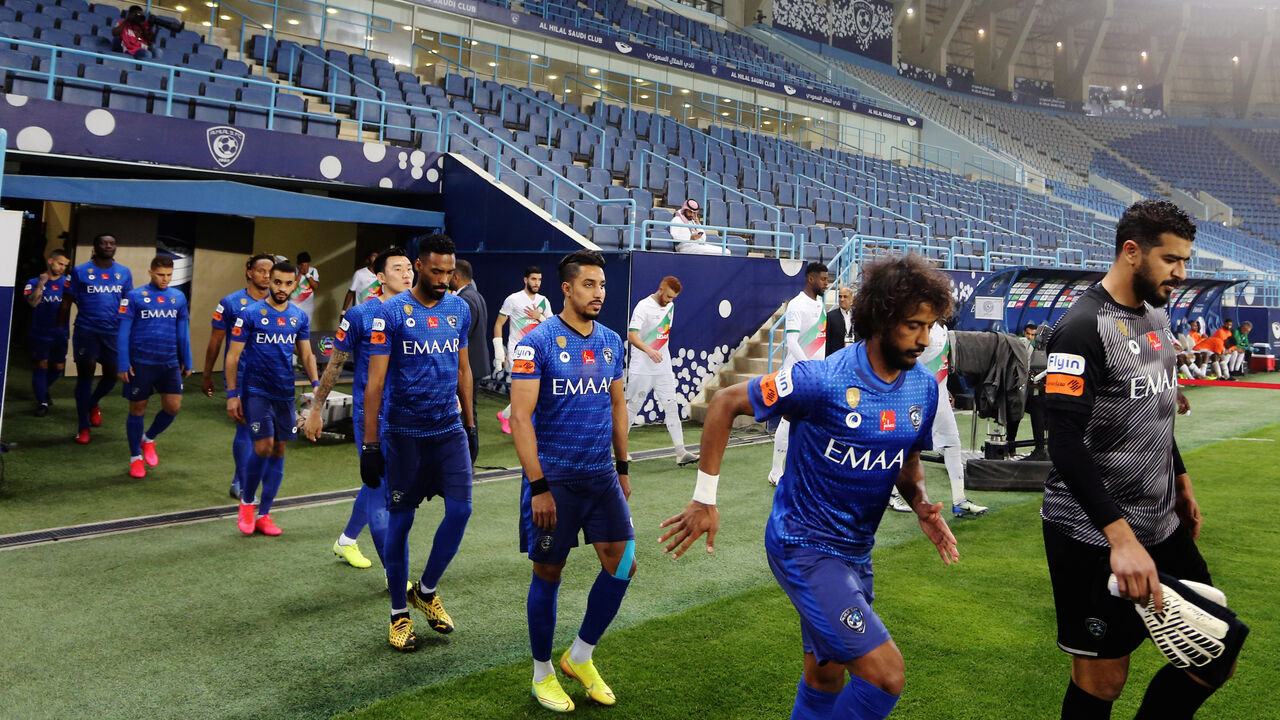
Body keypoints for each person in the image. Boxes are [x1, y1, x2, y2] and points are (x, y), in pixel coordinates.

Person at [658, 254, 960, 720]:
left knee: (825, 676)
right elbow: (724, 403)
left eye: (930, 325)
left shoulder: (921, 387)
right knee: (886, 675)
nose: (925, 339)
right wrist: (704, 497)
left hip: (856, 553)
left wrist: (920, 502)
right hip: (803, 545)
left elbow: (908, 458)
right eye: (913, 326)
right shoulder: (821, 379)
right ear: (881, 318)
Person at [1041, 200, 1239, 718]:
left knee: (1214, 649)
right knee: (1103, 679)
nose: (1182, 272)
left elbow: (1157, 404)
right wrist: (1119, 539)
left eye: (1186, 260)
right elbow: (1063, 442)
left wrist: (1182, 480)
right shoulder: (1080, 328)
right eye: (1172, 259)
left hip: (1162, 521)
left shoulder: (1156, 313)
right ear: (1132, 252)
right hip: (1091, 534)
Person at [509, 250, 632, 712]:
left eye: (602, 285)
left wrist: (622, 468)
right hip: (554, 480)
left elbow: (617, 406)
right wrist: (538, 486)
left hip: (601, 476)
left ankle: (579, 656)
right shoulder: (535, 343)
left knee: (623, 565)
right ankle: (542, 675)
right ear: (566, 288)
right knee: (549, 573)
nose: (598, 293)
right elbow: (521, 419)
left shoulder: (610, 341)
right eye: (588, 285)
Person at [359, 234, 478, 651]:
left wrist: (471, 423)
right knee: (402, 521)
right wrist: (371, 445)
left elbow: (464, 370)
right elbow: (375, 383)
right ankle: (398, 614)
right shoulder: (389, 313)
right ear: (419, 266)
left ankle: (425, 591)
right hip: (403, 434)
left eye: (450, 271)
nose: (444, 279)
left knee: (461, 510)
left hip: (448, 430)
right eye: (436, 271)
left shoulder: (459, 309)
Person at [305, 248, 414, 571]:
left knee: (380, 487)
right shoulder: (359, 315)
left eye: (409, 267)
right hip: (372, 417)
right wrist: (315, 408)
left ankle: (346, 540)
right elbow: (334, 365)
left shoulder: (420, 311)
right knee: (383, 492)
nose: (407, 273)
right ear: (380, 278)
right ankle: (397, 578)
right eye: (397, 268)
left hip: (407, 415)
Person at [224, 260, 320, 537]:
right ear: (270, 281)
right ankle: (247, 503)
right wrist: (232, 395)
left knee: (279, 450)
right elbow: (232, 356)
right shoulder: (251, 314)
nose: (282, 288)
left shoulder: (298, 317)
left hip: (284, 393)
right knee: (263, 446)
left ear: (295, 285)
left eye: (288, 284)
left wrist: (316, 384)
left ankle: (264, 514)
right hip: (255, 391)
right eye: (277, 282)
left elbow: (307, 354)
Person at [890, 319, 989, 516]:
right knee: (902, 449)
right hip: (917, 399)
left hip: (940, 399)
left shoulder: (943, 329)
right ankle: (892, 494)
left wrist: (946, 388)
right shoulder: (916, 330)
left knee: (953, 443)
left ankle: (959, 500)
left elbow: (940, 365)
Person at [203, 253, 274, 499]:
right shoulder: (230, 303)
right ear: (249, 272)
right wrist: (207, 374)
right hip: (242, 375)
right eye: (262, 270)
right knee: (245, 428)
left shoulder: (279, 304)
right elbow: (215, 342)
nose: (266, 276)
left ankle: (242, 479)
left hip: (273, 378)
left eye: (270, 271)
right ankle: (242, 484)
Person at [115, 256, 192, 478]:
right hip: (141, 364)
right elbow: (123, 332)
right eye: (161, 275)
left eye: (169, 275)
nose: (165, 279)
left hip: (168, 364)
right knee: (137, 409)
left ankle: (148, 439)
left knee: (173, 407)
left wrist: (187, 359)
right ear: (150, 273)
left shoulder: (178, 297)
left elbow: (182, 331)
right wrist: (123, 362)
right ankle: (135, 457)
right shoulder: (134, 297)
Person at [60, 233, 134, 445]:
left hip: (113, 332)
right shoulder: (80, 271)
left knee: (112, 375)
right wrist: (61, 330)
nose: (108, 246)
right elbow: (67, 302)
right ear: (95, 247)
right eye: (103, 243)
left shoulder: (123, 273)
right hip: (86, 331)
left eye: (112, 243)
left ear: (115, 247)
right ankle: (83, 427)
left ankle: (92, 402)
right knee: (86, 376)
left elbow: (127, 304)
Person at [626, 276, 698, 467]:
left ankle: (681, 452)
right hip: (641, 368)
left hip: (663, 368)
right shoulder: (643, 307)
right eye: (667, 296)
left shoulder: (670, 307)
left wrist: (659, 354)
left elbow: (663, 335)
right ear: (660, 289)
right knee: (632, 407)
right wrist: (649, 351)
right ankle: (620, 450)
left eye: (673, 298)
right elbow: (632, 336)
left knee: (671, 406)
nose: (669, 301)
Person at [769, 262, 829, 486]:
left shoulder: (820, 303)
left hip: (816, 374)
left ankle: (807, 470)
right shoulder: (796, 304)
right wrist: (807, 367)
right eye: (823, 279)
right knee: (787, 420)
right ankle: (776, 471)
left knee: (813, 423)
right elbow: (791, 341)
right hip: (797, 373)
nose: (826, 283)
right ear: (811, 279)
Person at [493, 266, 550, 435]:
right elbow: (498, 324)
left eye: (539, 279)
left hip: (537, 352)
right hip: (517, 351)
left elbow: (551, 325)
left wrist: (538, 316)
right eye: (533, 279)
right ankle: (519, 423)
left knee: (535, 390)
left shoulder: (543, 301)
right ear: (525, 280)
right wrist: (498, 352)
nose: (536, 283)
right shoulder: (513, 299)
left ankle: (505, 415)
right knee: (523, 391)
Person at [23, 248, 71, 416]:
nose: (62, 268)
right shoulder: (33, 281)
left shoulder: (67, 284)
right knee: (41, 365)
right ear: (51, 261)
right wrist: (41, 284)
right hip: (40, 332)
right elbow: (33, 303)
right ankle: (42, 402)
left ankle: (43, 389)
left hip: (60, 333)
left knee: (58, 367)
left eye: (65, 265)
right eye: (60, 263)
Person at [451, 259, 489, 429]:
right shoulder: (476, 295)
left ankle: (468, 448)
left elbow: (461, 335)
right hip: (476, 363)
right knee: (468, 408)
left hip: (468, 365)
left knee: (466, 410)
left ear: (456, 277)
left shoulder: (464, 299)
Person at [1004, 323, 1047, 459]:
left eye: (1033, 335)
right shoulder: (1016, 346)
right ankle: (1010, 446)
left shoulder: (1041, 350)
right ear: (1023, 333)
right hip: (1018, 389)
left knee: (1038, 408)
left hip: (1034, 391)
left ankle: (1040, 448)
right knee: (1015, 412)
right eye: (1028, 334)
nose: (1030, 337)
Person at [289, 251, 321, 326]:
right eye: (302, 265)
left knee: (306, 328)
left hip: (308, 305)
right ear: (298, 264)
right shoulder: (293, 271)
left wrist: (307, 274)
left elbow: (316, 286)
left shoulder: (313, 271)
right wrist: (300, 273)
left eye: (306, 264)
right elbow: (293, 288)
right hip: (295, 304)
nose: (304, 267)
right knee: (294, 327)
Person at [825, 285, 854, 358]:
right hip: (836, 357)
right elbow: (828, 341)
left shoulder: (858, 316)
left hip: (854, 357)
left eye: (845, 297)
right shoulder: (830, 316)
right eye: (840, 296)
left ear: (851, 299)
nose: (842, 299)